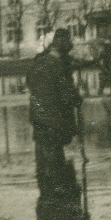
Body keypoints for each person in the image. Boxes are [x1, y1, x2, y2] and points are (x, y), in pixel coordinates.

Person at [26, 29, 83, 202]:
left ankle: (47, 210)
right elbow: (67, 96)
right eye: (68, 42)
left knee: (43, 167)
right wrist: (77, 97)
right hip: (54, 123)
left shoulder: (38, 63)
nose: (71, 45)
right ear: (60, 44)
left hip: (38, 120)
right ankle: (61, 205)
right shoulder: (58, 66)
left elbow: (29, 83)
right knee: (55, 167)